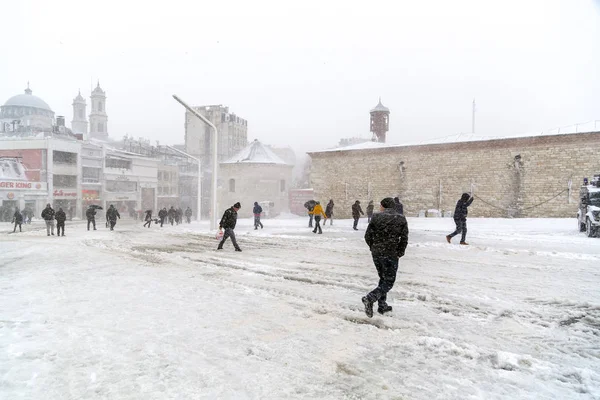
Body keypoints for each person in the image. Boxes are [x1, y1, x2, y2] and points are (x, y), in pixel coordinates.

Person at [361, 197, 409, 318]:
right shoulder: (401, 218)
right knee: (388, 281)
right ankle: (370, 298)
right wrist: (400, 252)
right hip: (391, 253)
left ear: (383, 206)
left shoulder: (376, 217)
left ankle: (382, 305)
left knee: (383, 278)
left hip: (377, 253)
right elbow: (404, 238)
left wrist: (373, 247)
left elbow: (367, 236)